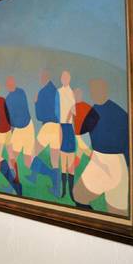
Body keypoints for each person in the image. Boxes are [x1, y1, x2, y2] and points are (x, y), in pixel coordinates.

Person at [73, 78, 129, 215]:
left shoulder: (110, 112)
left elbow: (80, 130)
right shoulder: (116, 111)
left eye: (96, 90)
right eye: (92, 90)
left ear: (104, 91)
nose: (93, 93)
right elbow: (81, 129)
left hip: (105, 161)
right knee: (116, 212)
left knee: (79, 195)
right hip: (119, 165)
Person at [29, 69, 63, 197]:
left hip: (48, 127)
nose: (40, 79)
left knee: (32, 154)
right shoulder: (56, 91)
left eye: (41, 77)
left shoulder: (42, 92)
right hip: (57, 127)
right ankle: (56, 189)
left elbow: (39, 116)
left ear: (44, 77)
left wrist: (36, 103)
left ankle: (47, 174)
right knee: (55, 160)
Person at [4, 76, 35, 191]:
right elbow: (10, 118)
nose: (10, 85)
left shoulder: (21, 93)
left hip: (27, 128)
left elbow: (19, 113)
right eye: (8, 84)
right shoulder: (8, 99)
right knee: (11, 158)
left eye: (11, 83)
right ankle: (12, 185)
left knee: (28, 162)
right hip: (18, 130)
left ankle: (51, 174)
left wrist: (11, 125)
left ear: (14, 83)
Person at [58, 71, 77, 199]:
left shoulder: (72, 93)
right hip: (61, 127)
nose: (64, 79)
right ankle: (64, 191)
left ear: (69, 79)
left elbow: (74, 113)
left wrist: (70, 116)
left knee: (70, 164)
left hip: (69, 128)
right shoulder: (58, 92)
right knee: (63, 162)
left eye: (67, 77)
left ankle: (71, 192)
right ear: (61, 79)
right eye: (63, 77)